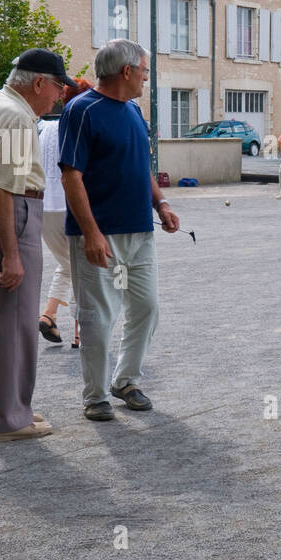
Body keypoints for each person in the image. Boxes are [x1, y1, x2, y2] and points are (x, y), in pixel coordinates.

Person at [58, 39, 180, 422]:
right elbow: (71, 176)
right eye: (144, 70)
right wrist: (90, 233)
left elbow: (141, 166)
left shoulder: (133, 111)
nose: (147, 77)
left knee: (146, 307)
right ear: (126, 71)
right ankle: (94, 396)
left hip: (139, 231)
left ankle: (125, 380)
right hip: (99, 233)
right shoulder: (81, 110)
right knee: (97, 316)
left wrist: (160, 203)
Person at [0, 49, 76, 442]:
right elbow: (0, 189)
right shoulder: (15, 115)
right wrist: (12, 254)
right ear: (40, 82)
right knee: (13, 321)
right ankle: (9, 419)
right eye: (59, 86)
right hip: (8, 214)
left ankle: (3, 408)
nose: (60, 96)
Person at [39, 77, 94, 348]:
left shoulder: (46, 127)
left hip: (43, 207)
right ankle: (80, 331)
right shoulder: (81, 125)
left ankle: (48, 315)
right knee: (81, 268)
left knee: (68, 264)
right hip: (67, 205)